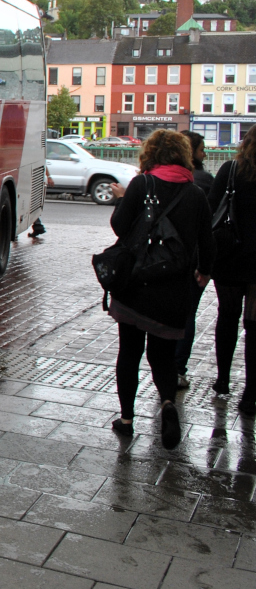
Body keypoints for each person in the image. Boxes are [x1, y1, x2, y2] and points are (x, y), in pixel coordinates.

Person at [108, 129, 215, 447]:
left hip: (135, 285)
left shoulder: (142, 184)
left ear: (150, 154)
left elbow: (119, 226)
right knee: (163, 356)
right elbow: (207, 244)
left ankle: (126, 420)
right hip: (173, 289)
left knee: (129, 351)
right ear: (184, 156)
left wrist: (124, 199)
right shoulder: (195, 193)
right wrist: (204, 273)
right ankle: (168, 404)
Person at [206, 128, 256, 416]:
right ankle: (250, 393)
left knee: (227, 317)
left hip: (230, 255)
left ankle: (223, 380)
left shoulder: (231, 169)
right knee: (255, 328)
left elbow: (211, 208)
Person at [173, 130, 214, 387]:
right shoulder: (206, 181)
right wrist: (206, 267)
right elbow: (208, 232)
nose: (205, 154)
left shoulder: (152, 179)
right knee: (188, 314)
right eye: (201, 150)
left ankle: (164, 366)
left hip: (165, 258)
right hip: (193, 260)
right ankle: (178, 368)